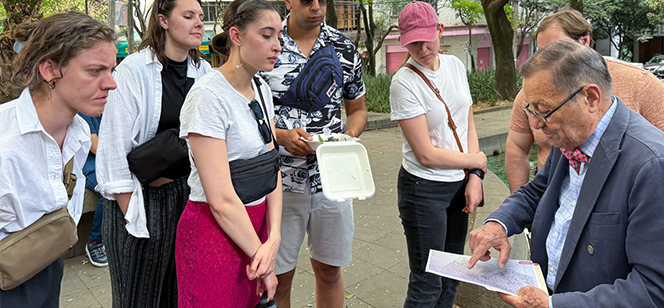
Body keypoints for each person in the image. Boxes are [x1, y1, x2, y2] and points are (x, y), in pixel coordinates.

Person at [468, 40, 664, 308]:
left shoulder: (651, 165)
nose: (536, 124)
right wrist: (498, 224)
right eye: (531, 109)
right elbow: (538, 190)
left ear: (591, 99)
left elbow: (653, 290)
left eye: (544, 110)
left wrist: (553, 305)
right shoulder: (572, 135)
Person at [95, 0, 212, 306]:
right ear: (162, 20)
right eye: (188, 16)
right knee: (137, 299)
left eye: (200, 16)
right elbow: (112, 147)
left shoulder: (204, 71)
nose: (199, 22)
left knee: (177, 295)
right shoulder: (134, 70)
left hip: (187, 197)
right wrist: (133, 215)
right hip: (138, 201)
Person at [0, 12, 116, 307]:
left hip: (48, 268)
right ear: (50, 70)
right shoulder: (6, 142)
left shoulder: (77, 130)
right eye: (95, 71)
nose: (111, 84)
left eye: (111, 70)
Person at [258, 0, 367, 305]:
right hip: (278, 184)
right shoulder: (266, 43)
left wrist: (347, 138)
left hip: (333, 182)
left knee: (330, 272)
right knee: (277, 280)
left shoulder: (343, 48)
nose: (317, 7)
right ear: (288, 1)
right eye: (307, 0)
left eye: (322, 0)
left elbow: (357, 110)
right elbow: (244, 110)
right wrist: (280, 136)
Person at [175, 0, 283, 306]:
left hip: (257, 229)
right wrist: (260, 250)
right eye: (266, 35)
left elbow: (271, 165)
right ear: (236, 36)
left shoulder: (261, 88)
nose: (276, 45)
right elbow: (220, 199)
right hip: (214, 234)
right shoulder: (208, 96)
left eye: (279, 36)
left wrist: (273, 239)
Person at [388, 2, 487, 307]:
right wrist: (477, 161)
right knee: (427, 280)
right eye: (412, 42)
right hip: (424, 189)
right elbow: (426, 154)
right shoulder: (403, 82)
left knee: (452, 273)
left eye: (426, 39)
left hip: (459, 183)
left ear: (440, 31)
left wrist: (475, 177)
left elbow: (467, 123)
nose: (421, 48)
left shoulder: (455, 66)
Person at [505, 9, 664, 193]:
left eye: (557, 48)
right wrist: (521, 208)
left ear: (585, 40)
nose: (546, 60)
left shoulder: (640, 83)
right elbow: (516, 147)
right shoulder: (530, 94)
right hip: (553, 201)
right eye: (542, 52)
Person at [78, 113, 108, 268]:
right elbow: (95, 147)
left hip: (109, 162)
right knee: (109, 192)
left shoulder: (112, 109)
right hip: (89, 164)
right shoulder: (85, 113)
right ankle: (95, 242)